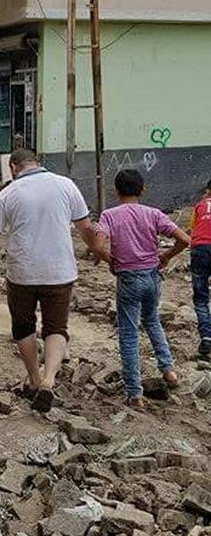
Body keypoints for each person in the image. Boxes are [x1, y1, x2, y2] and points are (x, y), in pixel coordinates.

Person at [0, 149, 99, 412]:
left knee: (23, 327)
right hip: (60, 271)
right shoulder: (66, 185)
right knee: (56, 328)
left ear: (14, 167)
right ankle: (49, 380)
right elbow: (86, 228)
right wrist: (101, 252)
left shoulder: (9, 193)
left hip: (22, 272)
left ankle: (34, 380)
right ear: (38, 163)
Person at [94, 169, 189, 407]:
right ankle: (168, 370)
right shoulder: (153, 214)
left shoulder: (110, 215)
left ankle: (135, 392)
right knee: (152, 320)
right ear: (143, 190)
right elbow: (185, 240)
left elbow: (97, 244)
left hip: (128, 278)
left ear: (115, 191)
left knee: (128, 334)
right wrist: (166, 256)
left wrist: (110, 260)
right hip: (152, 276)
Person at [189, 179, 211, 357]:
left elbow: (193, 229)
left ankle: (206, 337)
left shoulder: (199, 206)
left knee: (201, 296)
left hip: (200, 249)